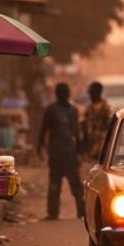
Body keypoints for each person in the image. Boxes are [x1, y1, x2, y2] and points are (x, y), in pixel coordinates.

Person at [37, 83, 82, 220]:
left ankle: (81, 211)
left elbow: (76, 133)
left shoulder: (70, 110)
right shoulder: (53, 110)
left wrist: (40, 146)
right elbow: (44, 129)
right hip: (61, 153)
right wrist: (40, 145)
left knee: (72, 184)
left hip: (65, 153)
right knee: (59, 184)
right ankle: (54, 213)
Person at [82, 82, 114, 160]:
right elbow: (84, 126)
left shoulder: (106, 107)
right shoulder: (88, 108)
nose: (90, 95)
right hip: (92, 144)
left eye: (92, 92)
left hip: (103, 144)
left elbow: (111, 124)